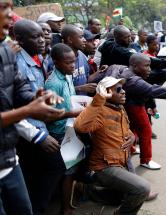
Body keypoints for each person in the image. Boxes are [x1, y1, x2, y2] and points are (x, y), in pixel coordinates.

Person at [1, 2, 64, 213]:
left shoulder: (6, 53)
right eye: (3, 9)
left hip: (8, 157)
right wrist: (30, 115)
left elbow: (20, 91)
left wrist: (38, 97)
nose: (10, 15)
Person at [74, 77, 156, 214]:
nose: (123, 92)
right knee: (142, 189)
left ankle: (87, 190)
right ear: (106, 92)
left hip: (120, 162)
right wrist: (98, 99)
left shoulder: (119, 108)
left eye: (123, 89)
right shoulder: (99, 110)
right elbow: (80, 127)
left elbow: (125, 130)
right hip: (104, 167)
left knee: (131, 195)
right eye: (118, 90)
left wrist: (132, 136)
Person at [45, 43, 82, 215]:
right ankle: (64, 209)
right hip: (58, 132)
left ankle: (67, 203)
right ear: (56, 62)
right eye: (68, 63)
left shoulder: (67, 76)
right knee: (66, 171)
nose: (73, 66)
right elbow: (49, 115)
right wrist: (71, 113)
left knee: (71, 168)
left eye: (74, 62)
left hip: (70, 128)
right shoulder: (53, 83)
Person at [61, 24, 97, 95]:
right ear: (70, 39)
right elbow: (56, 90)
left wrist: (100, 72)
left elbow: (86, 78)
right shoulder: (59, 59)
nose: (84, 40)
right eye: (81, 37)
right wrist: (80, 88)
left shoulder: (82, 55)